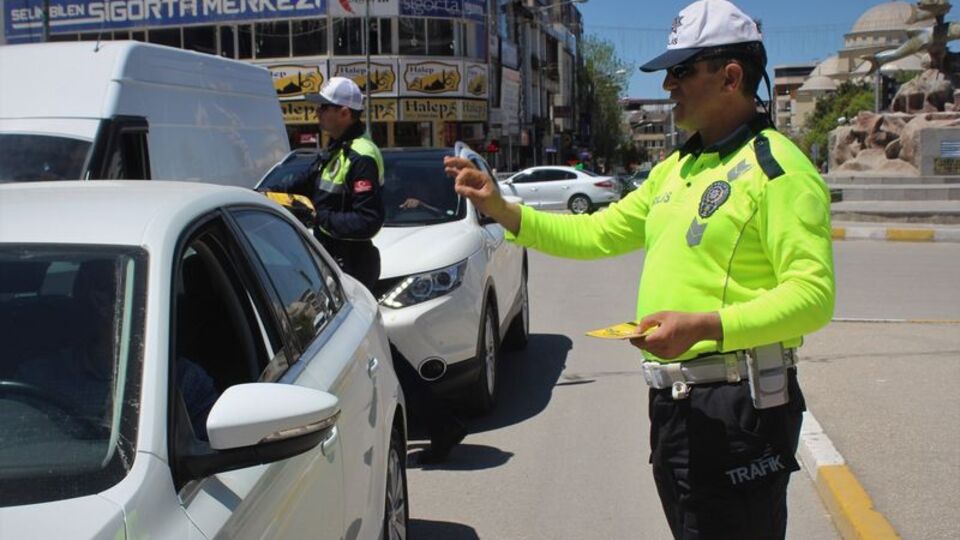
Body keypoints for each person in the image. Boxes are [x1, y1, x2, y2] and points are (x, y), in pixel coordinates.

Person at [444, 0, 835, 537]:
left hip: (738, 407)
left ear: (731, 77)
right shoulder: (677, 168)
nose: (668, 85)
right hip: (677, 405)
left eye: (682, 71)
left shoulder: (777, 169)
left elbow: (812, 296)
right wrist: (503, 210)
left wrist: (706, 326)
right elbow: (597, 233)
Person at [301, 77, 466, 462]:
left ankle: (438, 425)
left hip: (351, 266)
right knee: (372, 350)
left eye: (323, 107)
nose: (317, 113)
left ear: (345, 112)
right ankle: (440, 425)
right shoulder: (336, 151)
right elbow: (304, 183)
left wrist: (320, 217)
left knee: (365, 351)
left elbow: (366, 221)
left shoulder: (360, 155)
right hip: (337, 265)